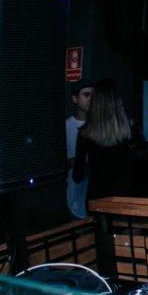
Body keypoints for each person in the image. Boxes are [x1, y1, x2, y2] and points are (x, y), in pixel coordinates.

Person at [73, 79, 135, 202]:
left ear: (96, 102)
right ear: (118, 102)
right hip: (124, 197)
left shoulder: (85, 132)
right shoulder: (129, 129)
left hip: (97, 197)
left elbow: (77, 176)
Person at [65, 79, 94, 219]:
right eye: (86, 95)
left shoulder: (99, 126)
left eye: (93, 95)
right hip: (75, 193)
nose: (90, 99)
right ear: (75, 99)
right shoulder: (66, 127)